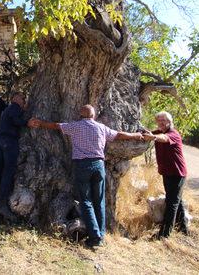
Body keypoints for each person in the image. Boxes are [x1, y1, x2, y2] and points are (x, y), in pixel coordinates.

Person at [32, 105, 145, 248]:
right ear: (93, 115)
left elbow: (57, 126)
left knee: (85, 201)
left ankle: (95, 236)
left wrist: (40, 123)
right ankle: (101, 234)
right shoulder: (101, 128)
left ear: (80, 114)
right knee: (99, 201)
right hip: (99, 165)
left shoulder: (76, 126)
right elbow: (119, 134)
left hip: (83, 165)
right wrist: (136, 135)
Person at [0, 91, 36, 221]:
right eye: (21, 97)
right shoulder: (14, 107)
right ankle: (1, 204)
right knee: (8, 171)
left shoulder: (7, 109)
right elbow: (16, 120)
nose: (23, 99)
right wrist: (27, 123)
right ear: (14, 98)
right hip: (8, 142)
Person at [141, 111, 189, 239]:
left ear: (169, 121)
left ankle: (164, 234)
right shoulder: (158, 132)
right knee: (175, 201)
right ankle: (183, 229)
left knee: (172, 202)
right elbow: (149, 133)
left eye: (163, 120)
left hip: (177, 173)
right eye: (159, 121)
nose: (161, 123)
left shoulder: (173, 134)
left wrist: (153, 137)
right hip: (167, 172)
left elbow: (164, 138)